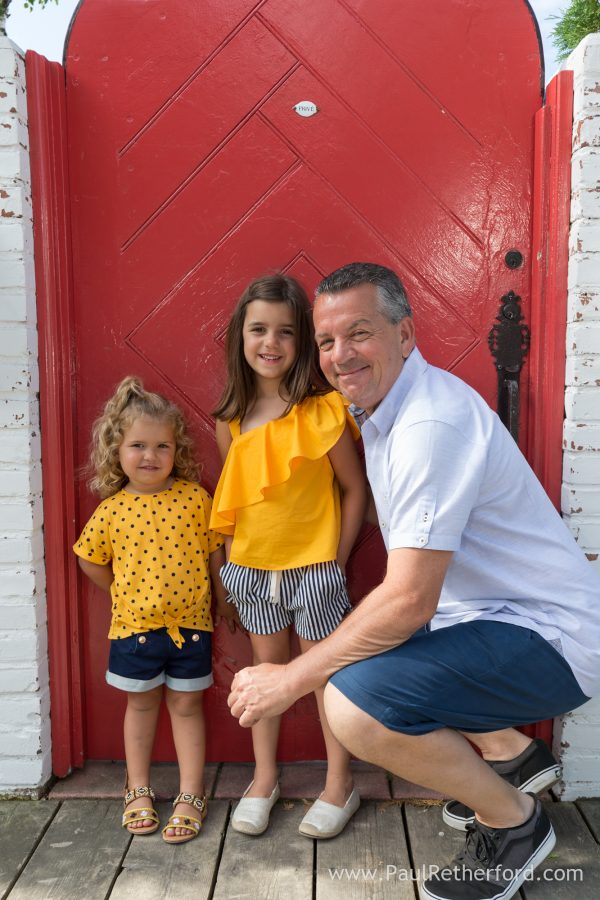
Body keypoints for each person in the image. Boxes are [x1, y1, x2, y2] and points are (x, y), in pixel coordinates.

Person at [228, 262, 600, 900]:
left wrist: (290, 679)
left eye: (360, 334)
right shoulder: (385, 411)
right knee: (367, 646)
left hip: (551, 640)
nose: (341, 355)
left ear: (406, 334)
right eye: (326, 341)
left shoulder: (429, 425)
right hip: (487, 620)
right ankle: (510, 753)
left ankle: (513, 823)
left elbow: (407, 600)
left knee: (351, 702)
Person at [210, 273, 366, 838]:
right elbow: (234, 498)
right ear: (240, 336)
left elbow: (354, 489)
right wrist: (229, 569)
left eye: (284, 331)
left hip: (316, 572)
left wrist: (337, 558)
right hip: (251, 574)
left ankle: (338, 782)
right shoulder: (231, 421)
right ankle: (264, 777)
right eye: (258, 329)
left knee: (326, 678)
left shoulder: (322, 413)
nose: (269, 343)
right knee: (263, 677)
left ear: (302, 340)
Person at [74, 376, 238, 844]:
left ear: (177, 449)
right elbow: (88, 559)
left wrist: (223, 598)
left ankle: (191, 792)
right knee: (141, 705)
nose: (150, 456)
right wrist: (121, 591)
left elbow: (213, 554)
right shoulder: (112, 510)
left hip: (190, 628)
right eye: (138, 445)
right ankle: (137, 787)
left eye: (161, 446)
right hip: (134, 630)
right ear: (117, 450)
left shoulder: (193, 498)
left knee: (187, 706)